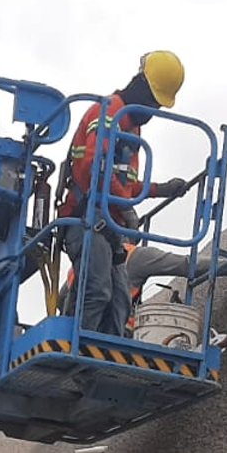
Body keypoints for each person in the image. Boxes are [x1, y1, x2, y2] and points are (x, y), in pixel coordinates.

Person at [57, 51, 192, 336]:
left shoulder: (131, 128)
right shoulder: (107, 113)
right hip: (86, 220)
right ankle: (74, 349)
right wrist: (127, 207)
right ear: (141, 88)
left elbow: (124, 184)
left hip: (110, 224)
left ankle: (103, 358)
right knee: (96, 292)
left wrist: (160, 189)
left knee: (120, 300)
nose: (155, 111)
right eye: (154, 102)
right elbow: (94, 169)